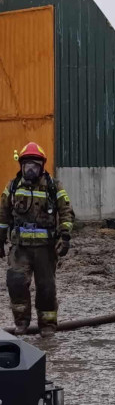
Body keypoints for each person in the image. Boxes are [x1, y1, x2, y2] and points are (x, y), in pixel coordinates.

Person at [0, 143, 75, 338]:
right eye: (27, 166)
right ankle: (21, 323)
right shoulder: (13, 186)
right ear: (21, 166)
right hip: (20, 249)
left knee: (46, 288)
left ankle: (47, 325)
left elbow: (66, 211)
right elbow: (3, 214)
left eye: (34, 166)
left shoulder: (53, 186)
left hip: (45, 249)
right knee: (15, 283)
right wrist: (0, 239)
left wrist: (65, 236)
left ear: (42, 166)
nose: (30, 170)